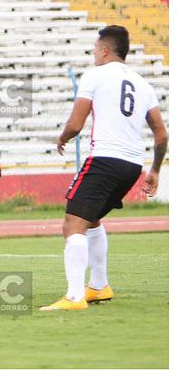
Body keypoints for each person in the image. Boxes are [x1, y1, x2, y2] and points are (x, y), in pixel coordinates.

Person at [41, 26, 167, 311]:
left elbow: (76, 124)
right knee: (92, 219)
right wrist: (155, 170)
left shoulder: (95, 75)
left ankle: (74, 297)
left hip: (105, 159)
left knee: (73, 223)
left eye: (95, 49)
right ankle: (99, 286)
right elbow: (161, 134)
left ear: (105, 50)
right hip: (132, 165)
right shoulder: (143, 84)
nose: (94, 53)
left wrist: (63, 137)